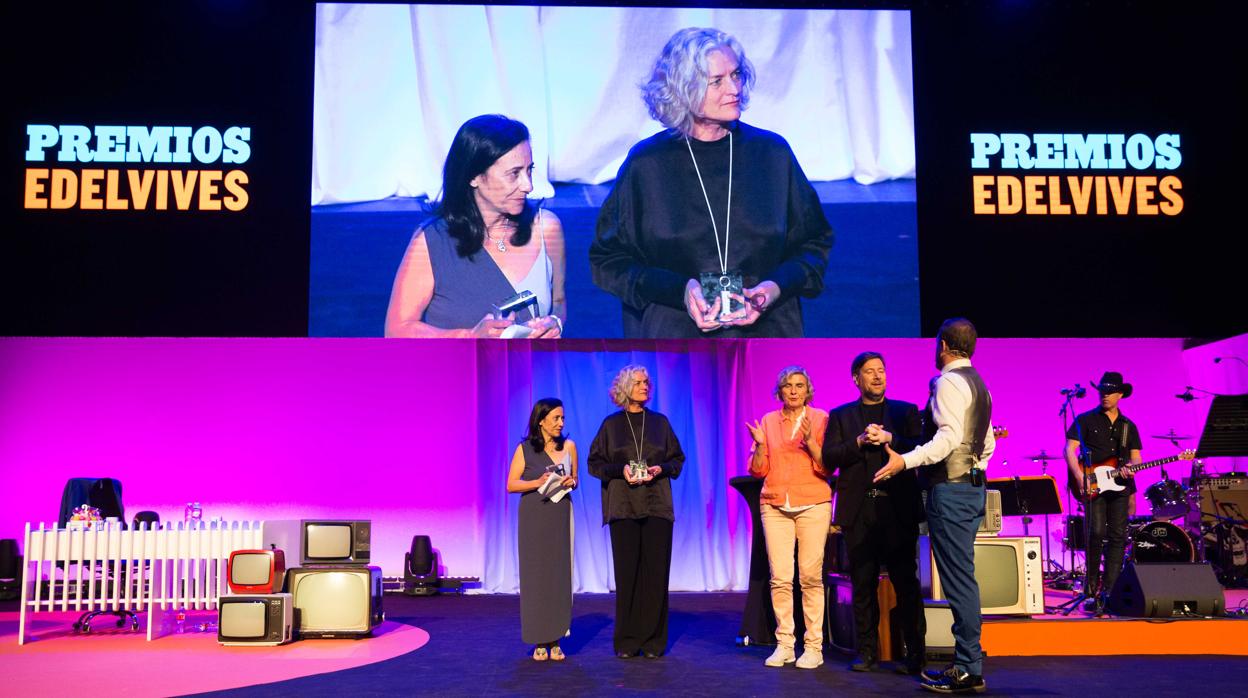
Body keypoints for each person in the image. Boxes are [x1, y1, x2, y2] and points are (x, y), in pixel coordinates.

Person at [589, 27, 833, 339]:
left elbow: (814, 245)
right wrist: (680, 290)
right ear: (682, 89)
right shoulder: (646, 164)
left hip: (767, 330)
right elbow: (608, 260)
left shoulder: (772, 154)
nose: (734, 88)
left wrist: (774, 288)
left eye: (737, 75)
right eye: (716, 81)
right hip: (675, 331)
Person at [877, 318, 994, 694]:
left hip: (952, 491)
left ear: (943, 344)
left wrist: (904, 461)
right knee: (964, 576)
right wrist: (976, 468)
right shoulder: (979, 384)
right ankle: (969, 664)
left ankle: (967, 668)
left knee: (959, 580)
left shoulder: (947, 382)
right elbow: (987, 443)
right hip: (973, 489)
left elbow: (946, 440)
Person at [385, 114, 566, 338]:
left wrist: (556, 321)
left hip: (534, 370)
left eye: (529, 170)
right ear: (474, 177)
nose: (528, 185)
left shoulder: (546, 229)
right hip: (460, 371)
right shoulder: (432, 242)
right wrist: (470, 337)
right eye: (514, 174)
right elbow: (396, 330)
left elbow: (559, 301)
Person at [822, 352, 926, 675]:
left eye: (881, 370)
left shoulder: (905, 411)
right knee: (863, 584)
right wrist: (858, 441)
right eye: (870, 372)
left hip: (897, 508)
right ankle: (867, 652)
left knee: (906, 584)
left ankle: (915, 654)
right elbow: (829, 457)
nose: (878, 376)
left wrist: (889, 438)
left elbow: (923, 446)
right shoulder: (840, 416)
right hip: (860, 511)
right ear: (857, 378)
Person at [587, 365, 685, 658]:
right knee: (627, 574)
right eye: (639, 382)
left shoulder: (661, 423)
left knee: (655, 574)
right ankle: (628, 641)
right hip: (624, 505)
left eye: (647, 382)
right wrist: (622, 469)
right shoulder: (611, 425)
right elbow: (595, 464)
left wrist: (660, 468)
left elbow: (677, 460)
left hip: (656, 503)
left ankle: (653, 641)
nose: (645, 386)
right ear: (625, 388)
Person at [746, 366, 830, 670]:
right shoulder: (768, 421)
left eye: (799, 385)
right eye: (787, 385)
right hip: (775, 504)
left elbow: (826, 468)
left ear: (808, 390)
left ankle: (814, 646)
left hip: (813, 503)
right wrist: (758, 445)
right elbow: (757, 471)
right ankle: (785, 645)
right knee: (780, 578)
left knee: (810, 577)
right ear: (779, 391)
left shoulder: (821, 419)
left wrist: (811, 444)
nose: (793, 390)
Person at [506, 398, 578, 661]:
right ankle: (539, 639)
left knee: (558, 575)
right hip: (534, 516)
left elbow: (575, 481)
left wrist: (570, 481)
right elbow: (512, 485)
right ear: (541, 421)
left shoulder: (569, 447)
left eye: (562, 418)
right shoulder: (524, 449)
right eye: (556, 418)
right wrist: (537, 481)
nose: (561, 423)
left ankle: (557, 638)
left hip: (559, 514)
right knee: (536, 576)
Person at [1064, 371, 1141, 614]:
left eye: (1110, 391)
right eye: (1102, 390)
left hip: (1119, 487)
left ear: (1120, 394)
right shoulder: (1086, 420)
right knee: (1095, 532)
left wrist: (1131, 471)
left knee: (1118, 535)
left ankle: (1110, 590)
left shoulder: (1129, 426)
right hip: (1092, 484)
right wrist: (1080, 478)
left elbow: (1135, 458)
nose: (1105, 395)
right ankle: (1090, 589)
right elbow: (1069, 450)